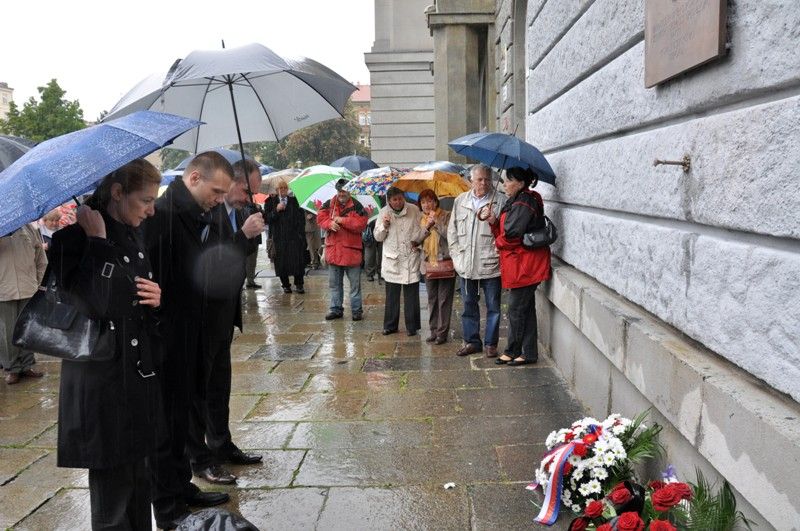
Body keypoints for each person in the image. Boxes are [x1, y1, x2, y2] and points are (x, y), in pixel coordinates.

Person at [47, 159, 163, 530]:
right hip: (101, 383)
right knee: (112, 497)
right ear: (117, 193)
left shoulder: (133, 232)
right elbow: (91, 306)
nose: (151, 209)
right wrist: (96, 243)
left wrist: (157, 299)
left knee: (139, 483)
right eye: (145, 200)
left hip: (137, 375)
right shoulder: (71, 241)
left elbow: (137, 308)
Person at [143, 151, 236, 529]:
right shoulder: (163, 216)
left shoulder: (201, 213)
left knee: (184, 419)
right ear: (194, 178)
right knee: (167, 425)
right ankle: (167, 505)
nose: (220, 199)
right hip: (170, 338)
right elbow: (156, 282)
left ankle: (182, 486)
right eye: (216, 191)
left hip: (195, 332)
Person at [186, 159, 265, 485]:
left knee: (220, 387)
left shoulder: (236, 211)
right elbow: (207, 260)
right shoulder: (206, 210)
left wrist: (248, 234)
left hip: (223, 317)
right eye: (247, 190)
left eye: (254, 193)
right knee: (198, 392)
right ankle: (199, 459)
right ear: (229, 181)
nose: (249, 197)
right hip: (200, 317)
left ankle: (221, 444)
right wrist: (241, 236)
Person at [486, 167, 551, 366]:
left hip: (526, 266)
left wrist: (498, 243)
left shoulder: (524, 201)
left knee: (515, 309)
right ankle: (529, 353)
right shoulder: (515, 201)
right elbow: (507, 230)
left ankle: (512, 350)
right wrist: (493, 222)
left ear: (521, 183)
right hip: (520, 264)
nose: (504, 184)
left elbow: (512, 236)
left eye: (508, 181)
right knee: (526, 309)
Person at [447, 163, 506, 358]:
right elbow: (452, 232)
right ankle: (472, 341)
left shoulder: (501, 201)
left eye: (487, 179)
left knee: (493, 306)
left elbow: (506, 233)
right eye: (479, 179)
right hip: (466, 264)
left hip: (491, 263)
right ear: (471, 180)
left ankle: (490, 343)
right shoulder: (460, 201)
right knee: (468, 305)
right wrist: (456, 258)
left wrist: (494, 220)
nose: (483, 183)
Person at [374, 187, 426, 336]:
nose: (398, 202)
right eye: (394, 199)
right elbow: (378, 236)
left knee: (411, 294)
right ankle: (390, 325)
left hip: (410, 256)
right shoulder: (384, 212)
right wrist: (384, 226)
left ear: (404, 197)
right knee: (392, 295)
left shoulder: (414, 210)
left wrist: (419, 244)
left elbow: (422, 230)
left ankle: (412, 326)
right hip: (393, 259)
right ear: (389, 200)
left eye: (400, 198)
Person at [0, 224, 47, 384]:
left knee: (28, 330)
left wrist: (39, 283)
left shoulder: (28, 228)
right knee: (8, 332)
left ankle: (27, 365)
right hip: (4, 290)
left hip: (29, 287)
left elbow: (41, 257)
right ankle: (12, 368)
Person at [317, 178, 369, 321]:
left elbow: (361, 224)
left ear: (349, 191)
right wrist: (329, 224)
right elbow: (320, 218)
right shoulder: (329, 204)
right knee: (334, 284)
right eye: (340, 191)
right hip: (334, 251)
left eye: (344, 191)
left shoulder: (358, 206)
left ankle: (357, 310)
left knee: (355, 285)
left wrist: (342, 220)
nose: (342, 193)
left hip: (351, 252)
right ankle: (335, 309)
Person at [417, 189, 455, 344]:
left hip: (445, 261)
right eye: (424, 202)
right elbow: (416, 239)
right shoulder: (419, 219)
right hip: (428, 263)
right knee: (432, 299)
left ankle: (442, 333)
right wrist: (427, 227)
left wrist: (437, 223)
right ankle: (433, 330)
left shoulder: (446, 215)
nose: (427, 204)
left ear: (436, 202)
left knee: (444, 299)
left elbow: (450, 235)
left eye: (430, 201)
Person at [264, 180, 307, 293]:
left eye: (284, 188)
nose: (283, 190)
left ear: (287, 189)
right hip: (279, 238)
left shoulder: (294, 201)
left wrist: (300, 235)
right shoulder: (270, 202)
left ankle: (299, 284)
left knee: (297, 262)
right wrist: (276, 210)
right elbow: (267, 219)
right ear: (277, 190)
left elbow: (301, 219)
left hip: (294, 238)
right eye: (280, 188)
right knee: (281, 263)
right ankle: (285, 285)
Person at [244, 175, 264, 289]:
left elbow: (262, 217)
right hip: (247, 237)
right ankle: (247, 280)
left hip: (255, 237)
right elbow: (247, 217)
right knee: (247, 260)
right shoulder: (243, 206)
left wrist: (259, 209)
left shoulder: (254, 205)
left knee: (253, 260)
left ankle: (251, 280)